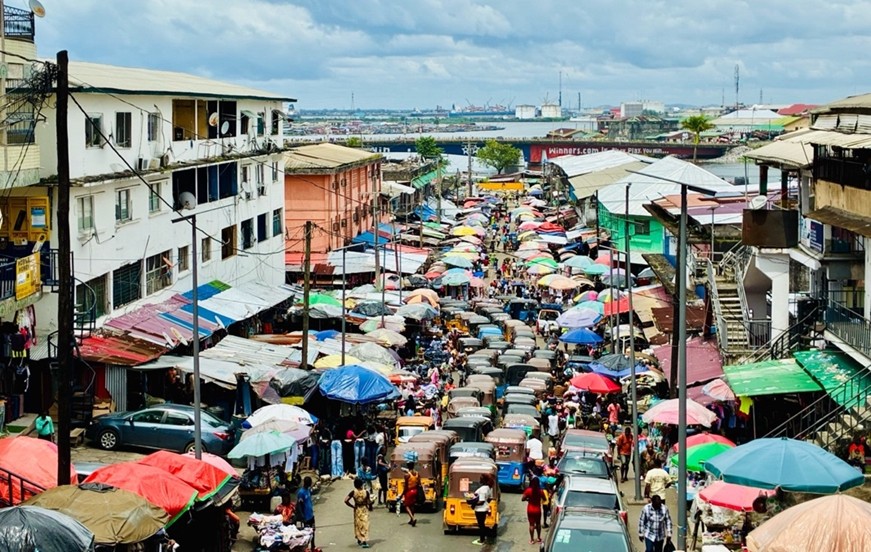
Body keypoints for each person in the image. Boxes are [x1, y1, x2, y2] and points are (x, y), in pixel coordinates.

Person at [344, 478, 373, 548]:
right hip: (364, 509)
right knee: (365, 525)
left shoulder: (353, 492)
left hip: (357, 509)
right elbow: (369, 502)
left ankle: (359, 538)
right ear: (361, 484)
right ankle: (364, 541)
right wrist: (371, 504)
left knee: (358, 524)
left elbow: (346, 500)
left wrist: (352, 506)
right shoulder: (366, 492)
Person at [468, 474, 493, 546]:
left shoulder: (482, 489)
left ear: (484, 480)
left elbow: (481, 501)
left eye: (481, 479)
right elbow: (489, 498)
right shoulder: (489, 488)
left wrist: (473, 503)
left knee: (481, 525)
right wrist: (486, 503)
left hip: (480, 510)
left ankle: (481, 540)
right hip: (484, 509)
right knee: (482, 524)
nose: (479, 480)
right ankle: (483, 538)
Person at [296, 476, 318, 551]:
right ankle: (306, 548)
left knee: (313, 530)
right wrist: (302, 517)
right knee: (306, 533)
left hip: (311, 515)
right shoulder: (301, 493)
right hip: (306, 517)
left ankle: (313, 545)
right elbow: (300, 505)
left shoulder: (308, 490)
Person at [521, 476, 544, 544]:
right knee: (538, 524)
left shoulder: (528, 490)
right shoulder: (540, 491)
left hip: (530, 509)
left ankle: (532, 540)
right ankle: (539, 538)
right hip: (537, 509)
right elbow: (545, 498)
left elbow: (522, 499)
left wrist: (528, 499)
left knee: (531, 525)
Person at [402, 462, 420, 527]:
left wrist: (402, 494)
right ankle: (411, 520)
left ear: (408, 467)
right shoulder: (417, 473)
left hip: (409, 491)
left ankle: (412, 518)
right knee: (412, 505)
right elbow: (419, 483)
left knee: (406, 506)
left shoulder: (407, 475)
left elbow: (406, 486)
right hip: (415, 491)